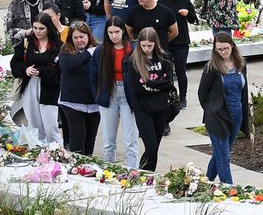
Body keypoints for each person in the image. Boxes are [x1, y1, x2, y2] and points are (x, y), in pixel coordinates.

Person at [198, 32, 252, 185]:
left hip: (236, 114)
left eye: (225, 48)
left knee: (220, 153)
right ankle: (229, 188)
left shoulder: (241, 65)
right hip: (217, 116)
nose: (222, 52)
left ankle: (206, 182)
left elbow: (243, 90)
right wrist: (212, 110)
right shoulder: (211, 68)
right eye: (219, 49)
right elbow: (202, 93)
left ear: (232, 46)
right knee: (224, 156)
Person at [124, 28, 175, 172]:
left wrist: (148, 84)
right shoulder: (133, 61)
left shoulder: (164, 59)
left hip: (160, 107)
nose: (146, 49)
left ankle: (149, 177)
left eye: (149, 46)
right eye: (143, 45)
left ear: (155, 44)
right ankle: (141, 175)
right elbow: (136, 88)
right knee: (150, 146)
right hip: (142, 108)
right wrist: (157, 84)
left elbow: (168, 84)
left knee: (155, 149)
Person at [92, 18, 139, 168]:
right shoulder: (101, 51)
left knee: (130, 138)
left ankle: (133, 171)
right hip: (108, 91)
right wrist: (98, 96)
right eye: (110, 32)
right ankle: (109, 171)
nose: (114, 36)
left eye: (117, 32)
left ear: (123, 30)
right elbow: (93, 76)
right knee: (108, 139)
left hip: (127, 93)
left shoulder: (132, 48)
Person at [10, 14, 63, 146]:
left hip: (49, 87)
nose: (38, 32)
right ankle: (39, 152)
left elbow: (60, 69)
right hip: (29, 85)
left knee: (51, 125)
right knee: (34, 124)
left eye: (41, 28)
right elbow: (15, 63)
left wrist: (41, 71)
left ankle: (57, 153)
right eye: (35, 28)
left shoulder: (58, 45)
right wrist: (25, 70)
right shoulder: (27, 42)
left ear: (49, 29)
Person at [58, 21, 100, 156]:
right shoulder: (66, 50)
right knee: (78, 135)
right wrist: (88, 53)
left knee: (90, 137)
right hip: (72, 102)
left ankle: (87, 163)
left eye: (82, 36)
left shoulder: (98, 49)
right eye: (75, 37)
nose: (79, 40)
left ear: (88, 36)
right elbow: (68, 66)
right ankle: (76, 164)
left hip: (93, 102)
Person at [158, 0, 197, 108]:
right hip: (167, 43)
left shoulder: (185, 2)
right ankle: (170, 95)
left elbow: (194, 20)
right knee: (167, 71)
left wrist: (188, 13)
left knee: (181, 70)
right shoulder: (162, 2)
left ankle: (183, 97)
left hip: (182, 42)